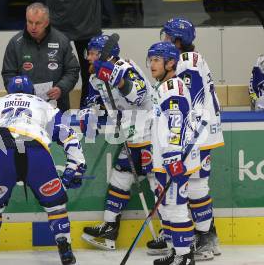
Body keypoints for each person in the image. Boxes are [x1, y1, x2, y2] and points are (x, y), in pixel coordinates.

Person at [0, 75, 86, 265]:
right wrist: (75, 166)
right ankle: (65, 249)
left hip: (3, 153)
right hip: (36, 152)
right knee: (55, 205)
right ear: (32, 91)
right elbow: (69, 136)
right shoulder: (45, 105)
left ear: (9, 91)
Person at [147, 17, 224, 261]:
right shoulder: (190, 59)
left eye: (168, 37)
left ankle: (205, 239)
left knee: (196, 188)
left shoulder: (187, 62)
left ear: (179, 40)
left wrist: (181, 144)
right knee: (188, 190)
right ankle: (184, 239)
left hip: (196, 137)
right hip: (196, 134)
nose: (165, 40)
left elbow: (183, 107)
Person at [79, 34, 155, 250]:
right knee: (121, 176)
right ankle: (110, 229)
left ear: (107, 56)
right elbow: (92, 99)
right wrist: (88, 112)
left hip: (149, 131)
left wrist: (115, 78)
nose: (89, 58)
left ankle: (172, 234)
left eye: (93, 53)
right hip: (130, 133)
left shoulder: (124, 67)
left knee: (155, 179)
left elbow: (138, 95)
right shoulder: (95, 77)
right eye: (89, 53)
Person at [148, 41, 200, 265]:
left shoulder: (172, 88)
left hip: (175, 159)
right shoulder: (163, 87)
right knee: (167, 207)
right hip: (165, 159)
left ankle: (185, 256)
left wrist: (172, 158)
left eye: (157, 60)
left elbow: (176, 125)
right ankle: (174, 250)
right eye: (151, 60)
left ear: (170, 63)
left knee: (177, 207)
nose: (152, 64)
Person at [34, 0, 106, 107]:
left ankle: (87, 111)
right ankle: (57, 114)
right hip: (57, 25)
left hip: (87, 25)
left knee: (90, 72)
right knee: (54, 72)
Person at [1, 2, 80, 112]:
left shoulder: (62, 41)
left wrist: (61, 88)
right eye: (30, 22)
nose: (33, 27)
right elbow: (8, 74)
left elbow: (72, 70)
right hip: (24, 108)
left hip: (57, 106)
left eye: (38, 23)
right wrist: (18, 91)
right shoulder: (15, 43)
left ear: (46, 22)